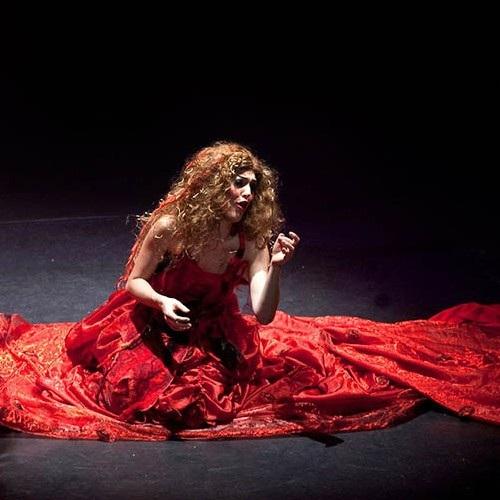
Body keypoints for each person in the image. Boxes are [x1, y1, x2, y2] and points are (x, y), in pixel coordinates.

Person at [0, 141, 499, 442]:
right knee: (133, 394)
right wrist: (161, 301)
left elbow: (263, 316)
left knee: (195, 406)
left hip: (212, 332)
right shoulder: (172, 227)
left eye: (253, 187)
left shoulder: (251, 238)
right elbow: (133, 281)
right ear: (211, 186)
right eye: (239, 184)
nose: (248, 194)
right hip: (152, 322)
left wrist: (274, 267)